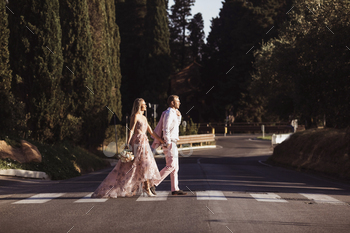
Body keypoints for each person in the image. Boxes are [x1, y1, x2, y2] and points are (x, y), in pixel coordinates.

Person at [91, 98, 164, 198]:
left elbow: (151, 131)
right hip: (137, 143)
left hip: (145, 143)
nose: (146, 106)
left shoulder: (144, 117)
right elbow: (131, 130)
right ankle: (119, 187)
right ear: (139, 105)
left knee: (146, 165)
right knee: (132, 167)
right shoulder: (135, 116)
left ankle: (146, 188)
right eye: (144, 104)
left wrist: (160, 139)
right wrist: (128, 143)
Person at [151, 95, 187, 195]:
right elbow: (165, 128)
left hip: (173, 142)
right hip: (169, 142)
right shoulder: (169, 113)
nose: (179, 102)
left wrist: (179, 117)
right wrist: (167, 142)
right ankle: (153, 184)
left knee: (175, 167)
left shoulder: (174, 113)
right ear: (172, 102)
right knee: (170, 165)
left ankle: (175, 189)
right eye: (177, 101)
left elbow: (175, 126)